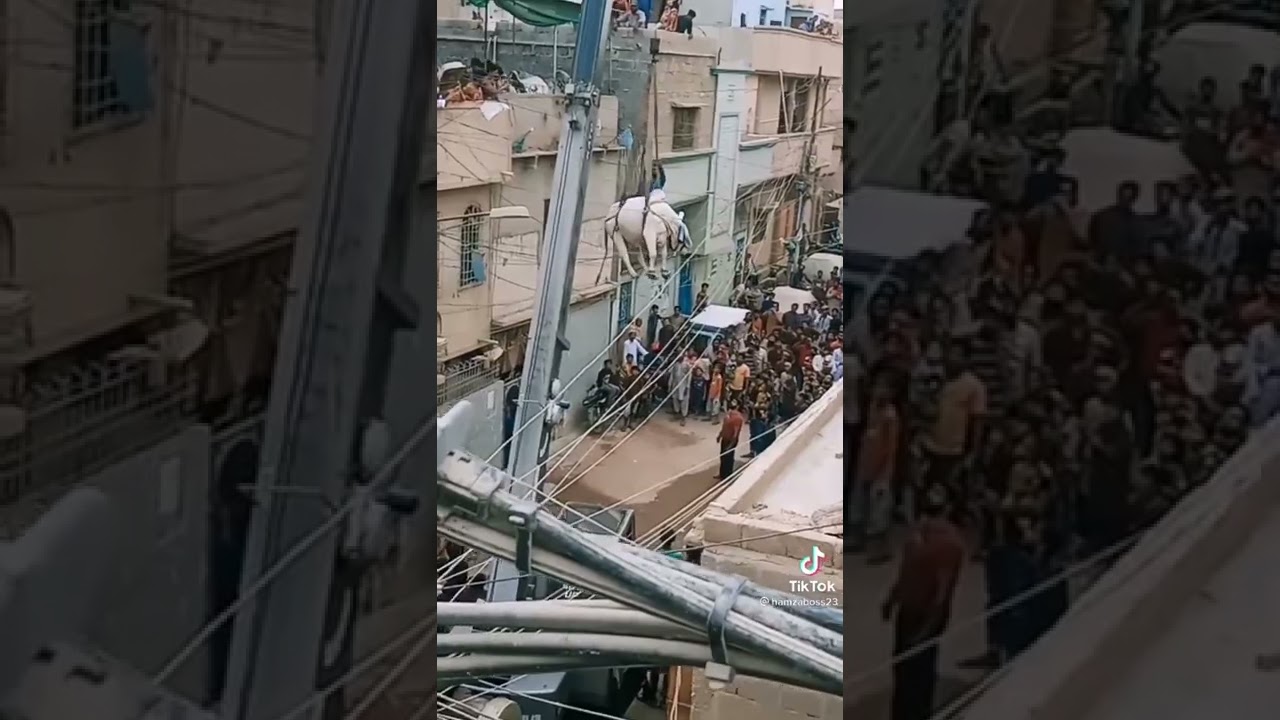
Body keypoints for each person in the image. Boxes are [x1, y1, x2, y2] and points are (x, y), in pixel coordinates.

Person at [882, 484, 965, 720]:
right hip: (908, 610)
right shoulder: (918, 535)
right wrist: (892, 598)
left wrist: (927, 628)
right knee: (901, 668)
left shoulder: (949, 544)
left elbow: (942, 594)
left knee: (919, 671)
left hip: (925, 616)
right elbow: (905, 571)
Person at [717, 401, 744, 479]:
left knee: (728, 458)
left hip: (730, 440)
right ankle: (722, 474)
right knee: (723, 456)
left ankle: (727, 475)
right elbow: (724, 427)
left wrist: (731, 445)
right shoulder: (728, 416)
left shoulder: (737, 418)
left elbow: (735, 434)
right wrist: (720, 435)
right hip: (725, 438)